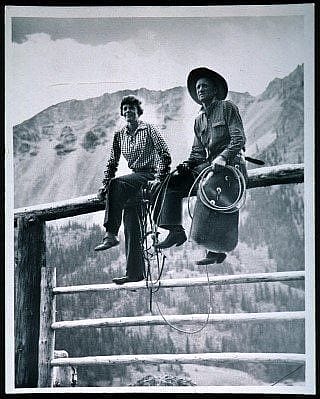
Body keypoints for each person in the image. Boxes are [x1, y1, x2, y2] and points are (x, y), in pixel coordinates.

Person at [155, 67, 247, 265]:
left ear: (215, 90)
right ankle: (175, 229)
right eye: (198, 87)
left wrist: (223, 157)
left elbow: (239, 138)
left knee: (212, 191)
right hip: (209, 165)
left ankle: (215, 250)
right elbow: (198, 152)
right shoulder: (199, 120)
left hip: (232, 164)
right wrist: (188, 164)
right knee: (172, 181)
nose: (200, 89)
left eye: (205, 85)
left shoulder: (227, 108)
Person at [95, 95, 171, 284]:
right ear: (122, 112)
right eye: (125, 108)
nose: (128, 111)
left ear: (138, 111)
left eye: (132, 108)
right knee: (131, 224)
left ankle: (110, 234)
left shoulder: (149, 129)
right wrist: (105, 185)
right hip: (135, 177)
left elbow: (165, 154)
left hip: (149, 175)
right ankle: (134, 273)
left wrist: (160, 179)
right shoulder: (119, 135)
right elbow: (112, 163)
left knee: (117, 184)